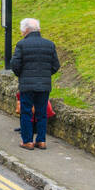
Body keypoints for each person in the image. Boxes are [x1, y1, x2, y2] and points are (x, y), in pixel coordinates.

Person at [9, 18, 60, 151]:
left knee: (26, 112)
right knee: (41, 112)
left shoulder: (21, 44)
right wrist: (45, 75)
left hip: (27, 85)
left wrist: (22, 75)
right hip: (44, 85)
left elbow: (15, 65)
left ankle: (27, 141)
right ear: (38, 30)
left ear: (25, 30)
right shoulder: (49, 44)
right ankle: (41, 141)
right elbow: (56, 66)